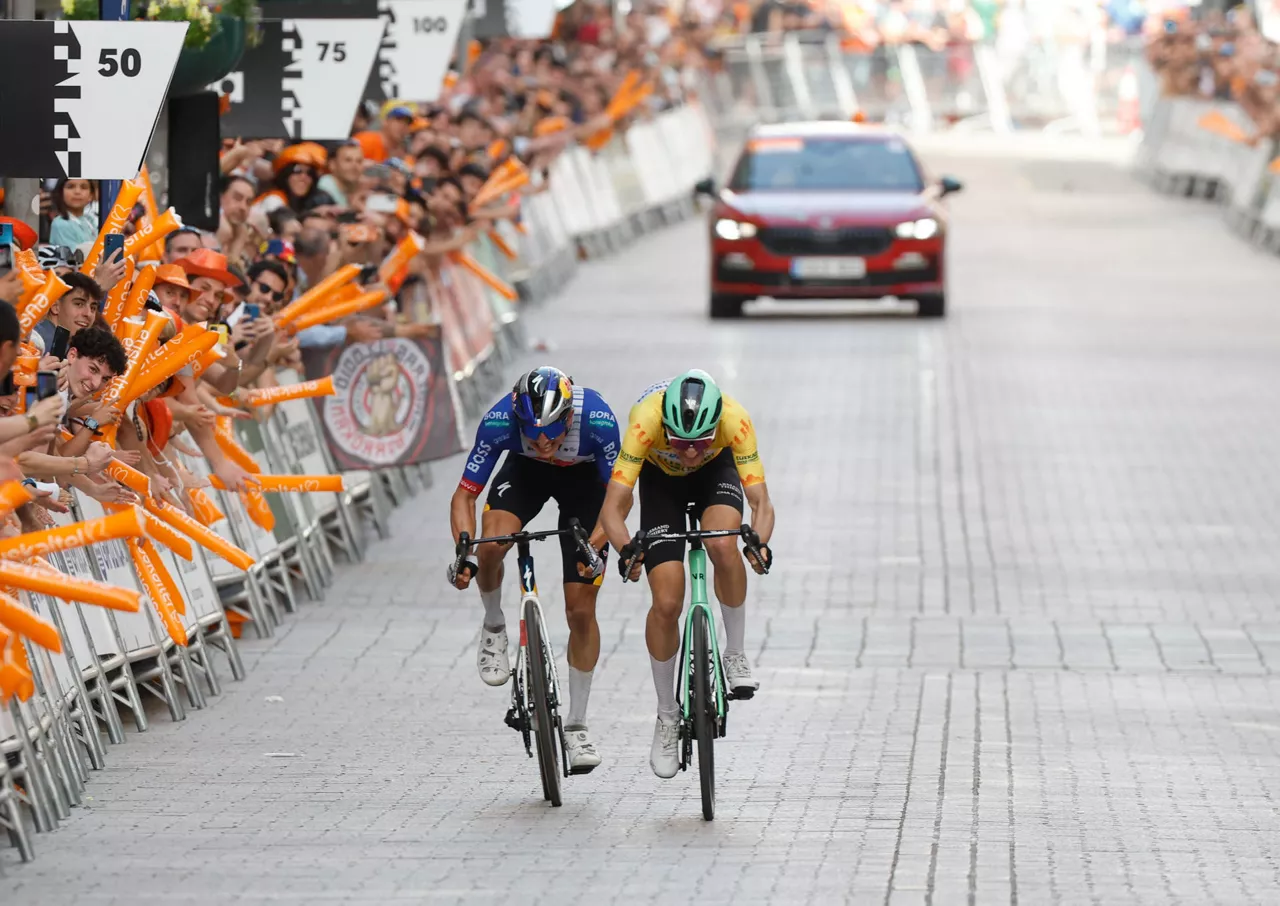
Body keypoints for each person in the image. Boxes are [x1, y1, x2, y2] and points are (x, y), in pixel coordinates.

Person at [597, 369, 775, 779]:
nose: (690, 453)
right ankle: (666, 716)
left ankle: (735, 654)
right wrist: (627, 549)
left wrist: (759, 542)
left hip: (718, 477)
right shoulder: (644, 420)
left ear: (716, 425)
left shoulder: (734, 418)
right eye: (680, 442)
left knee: (722, 543)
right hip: (662, 486)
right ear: (665, 426)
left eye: (699, 442)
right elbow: (613, 506)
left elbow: (761, 501)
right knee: (666, 601)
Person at [447, 366, 621, 774]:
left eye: (552, 431)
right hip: (525, 475)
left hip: (587, 485)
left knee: (581, 610)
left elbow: (617, 502)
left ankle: (576, 726)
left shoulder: (597, 419)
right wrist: (465, 552)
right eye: (532, 430)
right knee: (492, 545)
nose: (543, 441)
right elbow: (463, 497)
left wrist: (595, 546)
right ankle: (493, 625)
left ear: (568, 417)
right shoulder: (498, 421)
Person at [48, 178, 99, 249]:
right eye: (70, 187)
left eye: (83, 187)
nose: (77, 192)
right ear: (61, 192)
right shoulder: (60, 224)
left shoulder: (91, 220)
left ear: (91, 195)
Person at [317, 140, 365, 208]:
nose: (354, 166)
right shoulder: (324, 188)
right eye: (348, 160)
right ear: (332, 164)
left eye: (359, 161)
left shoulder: (362, 188)